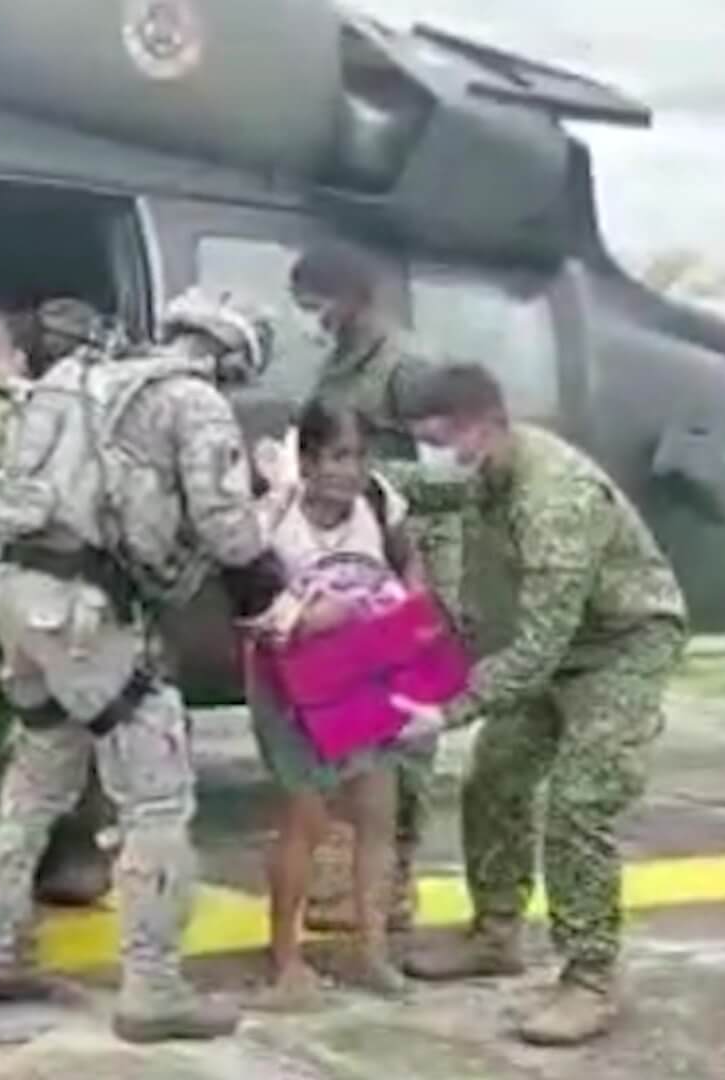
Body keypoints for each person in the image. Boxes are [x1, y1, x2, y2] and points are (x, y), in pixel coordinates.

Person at [0, 289, 284, 1044]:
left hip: (17, 597)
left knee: (36, 777)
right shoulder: (193, 401)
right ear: (228, 357)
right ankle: (153, 988)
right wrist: (269, 562)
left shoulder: (76, 376)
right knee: (157, 801)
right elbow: (226, 530)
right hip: (87, 613)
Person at [386, 363, 688, 1046]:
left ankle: (590, 979)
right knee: (494, 779)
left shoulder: (554, 500)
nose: (439, 455)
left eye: (443, 439)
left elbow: (537, 653)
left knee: (580, 803)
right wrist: (347, 475)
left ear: (484, 424)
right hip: (559, 644)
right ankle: (496, 933)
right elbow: (438, 489)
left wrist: (449, 710)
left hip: (622, 646)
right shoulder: (490, 465)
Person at [287, 244, 459, 936]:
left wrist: (372, 485)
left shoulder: (407, 369)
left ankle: (394, 883)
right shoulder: (339, 364)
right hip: (358, 564)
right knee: (349, 721)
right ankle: (344, 880)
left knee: (405, 735)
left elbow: (456, 477)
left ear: (352, 297)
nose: (309, 317)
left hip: (408, 561)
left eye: (315, 302)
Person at [243, 399, 424, 1010]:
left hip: (359, 673)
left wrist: (412, 608)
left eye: (360, 457)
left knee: (377, 807)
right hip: (288, 681)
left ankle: (369, 949)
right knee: (305, 816)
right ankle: (285, 960)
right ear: (310, 460)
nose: (351, 471)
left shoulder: (378, 502)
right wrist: (308, 621)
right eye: (339, 457)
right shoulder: (273, 517)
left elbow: (409, 556)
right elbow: (249, 603)